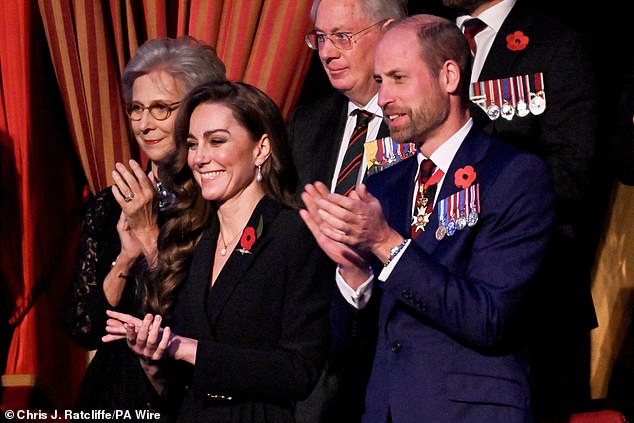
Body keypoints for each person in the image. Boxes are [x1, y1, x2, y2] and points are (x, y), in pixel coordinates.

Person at [300, 14, 556, 423]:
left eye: (399, 79)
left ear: (449, 76)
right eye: (380, 81)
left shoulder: (513, 176)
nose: (383, 99)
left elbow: (488, 317)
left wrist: (386, 244)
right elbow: (352, 348)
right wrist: (353, 275)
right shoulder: (384, 186)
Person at [103, 80, 335, 423]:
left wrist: (185, 348)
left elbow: (299, 370)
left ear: (261, 148)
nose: (199, 158)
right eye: (193, 144)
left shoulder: (294, 235)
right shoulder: (189, 239)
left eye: (217, 141)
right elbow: (174, 385)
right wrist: (152, 359)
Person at [440, 0, 602, 419]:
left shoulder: (556, 44)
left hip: (534, 305)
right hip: (437, 306)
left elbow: (573, 175)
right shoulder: (427, 41)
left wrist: (471, 202)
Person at [64, 35, 226, 412]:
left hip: (181, 398)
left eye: (160, 109)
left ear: (197, 109)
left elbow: (198, 323)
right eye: (136, 108)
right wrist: (124, 258)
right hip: (110, 397)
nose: (143, 124)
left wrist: (150, 233)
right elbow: (84, 330)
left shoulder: (217, 202)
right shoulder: (111, 203)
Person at [288, 0, 408, 194]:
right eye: (320, 37)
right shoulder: (307, 124)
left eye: (342, 36)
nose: (326, 53)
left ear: (388, 33)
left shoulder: (423, 118)